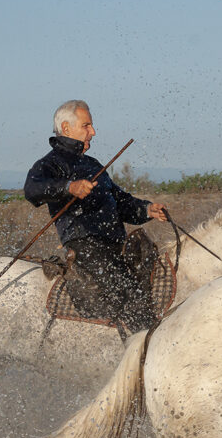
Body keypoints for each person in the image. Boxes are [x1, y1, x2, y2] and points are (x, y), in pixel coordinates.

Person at [24, 99, 167, 329]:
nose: (93, 132)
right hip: (85, 245)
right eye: (86, 126)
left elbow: (120, 202)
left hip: (115, 244)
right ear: (66, 128)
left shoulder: (93, 165)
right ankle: (144, 342)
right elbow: (32, 189)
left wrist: (146, 209)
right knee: (130, 294)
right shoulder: (50, 164)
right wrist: (69, 187)